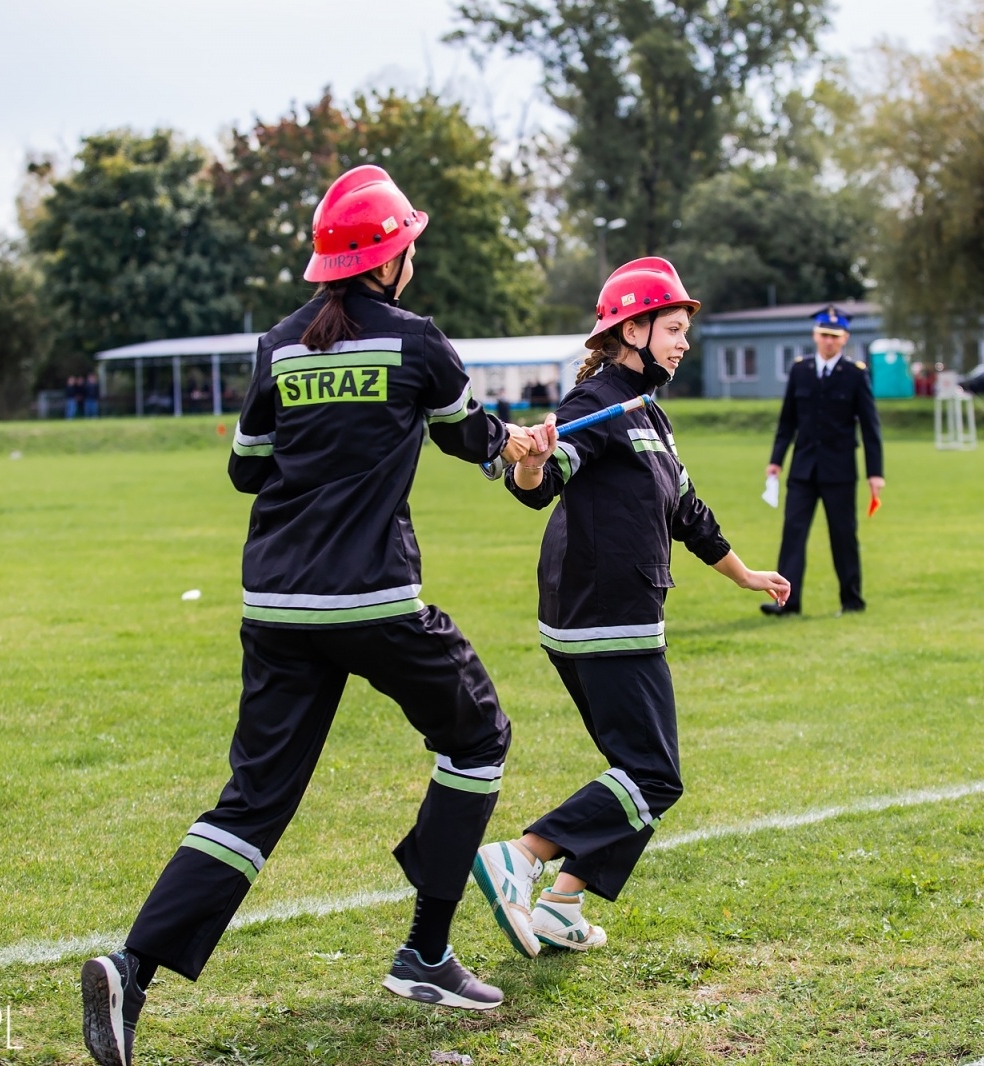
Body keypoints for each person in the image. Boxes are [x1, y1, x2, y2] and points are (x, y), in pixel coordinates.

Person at [80, 165, 554, 1066]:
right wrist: (519, 446)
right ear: (393, 258)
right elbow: (473, 440)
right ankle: (424, 951)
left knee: (252, 804)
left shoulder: (279, 345)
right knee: (479, 739)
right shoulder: (417, 342)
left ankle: (130, 970)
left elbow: (245, 469)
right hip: (374, 601)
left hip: (276, 608)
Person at [471, 257, 789, 958]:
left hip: (607, 611)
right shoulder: (597, 404)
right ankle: (521, 857)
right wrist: (528, 460)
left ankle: (562, 904)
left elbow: (687, 511)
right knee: (653, 775)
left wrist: (743, 575)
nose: (682, 342)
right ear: (632, 328)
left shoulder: (648, 413)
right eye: (673, 328)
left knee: (639, 772)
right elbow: (540, 481)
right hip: (601, 612)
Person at [763, 306, 883, 617]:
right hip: (803, 469)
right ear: (815, 336)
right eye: (824, 335)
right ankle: (788, 603)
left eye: (835, 336)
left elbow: (870, 427)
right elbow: (787, 420)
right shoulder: (800, 370)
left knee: (843, 536)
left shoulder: (856, 375)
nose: (828, 341)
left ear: (845, 339)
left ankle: (852, 600)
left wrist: (875, 473)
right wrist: (776, 460)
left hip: (839, 471)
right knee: (793, 534)